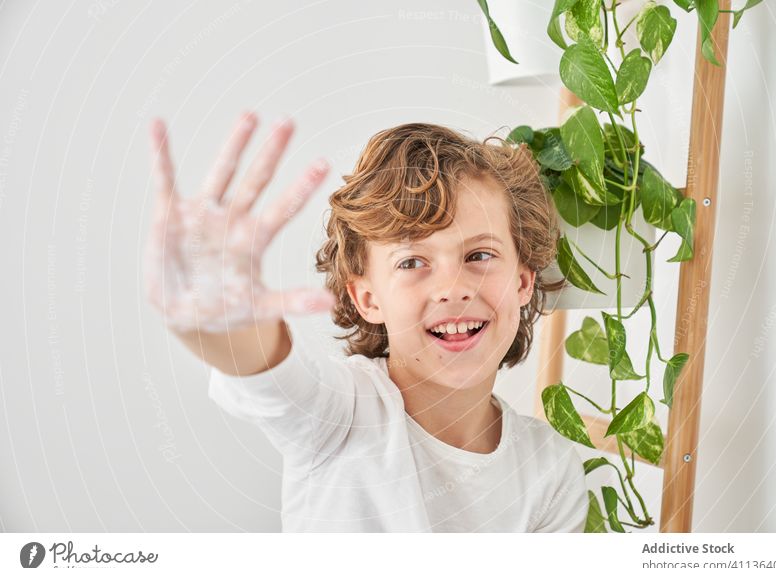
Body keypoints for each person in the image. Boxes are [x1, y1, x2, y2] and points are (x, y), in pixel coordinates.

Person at [143, 111, 589, 532]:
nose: (454, 287)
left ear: (523, 282)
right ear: (367, 299)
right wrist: (219, 313)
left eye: (480, 255)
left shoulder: (549, 470)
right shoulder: (339, 415)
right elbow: (269, 372)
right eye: (413, 262)